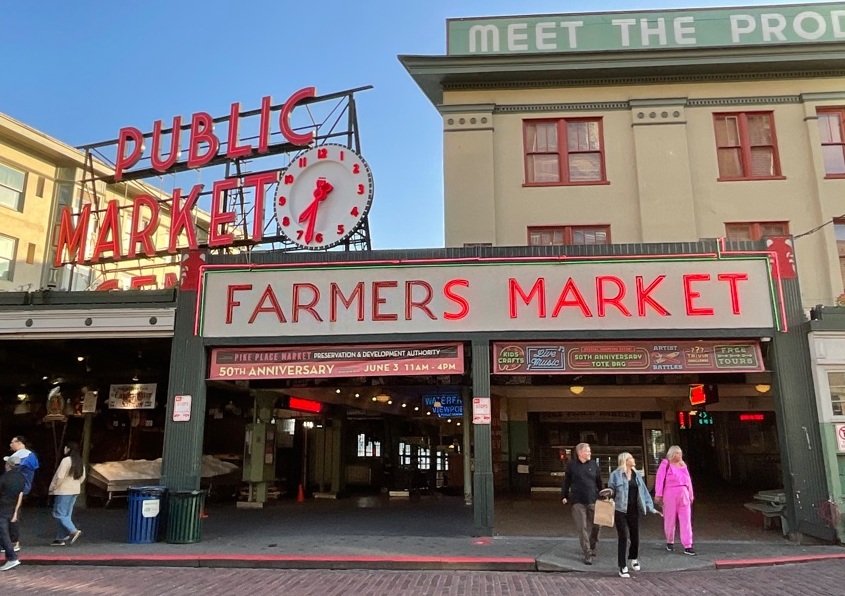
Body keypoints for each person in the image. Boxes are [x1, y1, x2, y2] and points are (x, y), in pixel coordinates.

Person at [608, 452, 661, 578]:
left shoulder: (637, 475)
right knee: (623, 537)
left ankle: (633, 558)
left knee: (635, 536)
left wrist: (651, 508)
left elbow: (643, 492)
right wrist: (608, 494)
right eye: (631, 458)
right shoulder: (615, 475)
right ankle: (622, 566)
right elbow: (611, 489)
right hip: (620, 510)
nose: (633, 459)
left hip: (633, 510)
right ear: (625, 460)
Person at [561, 443, 609, 565]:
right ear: (580, 452)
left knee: (597, 525)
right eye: (587, 451)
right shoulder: (572, 465)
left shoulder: (594, 465)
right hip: (577, 501)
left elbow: (599, 481)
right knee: (582, 528)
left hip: (592, 499)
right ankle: (587, 553)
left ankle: (592, 545)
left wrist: (604, 494)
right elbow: (566, 481)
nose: (590, 453)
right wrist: (564, 495)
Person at [655, 444, 696, 555]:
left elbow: (688, 481)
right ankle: (670, 541)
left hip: (684, 495)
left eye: (680, 453)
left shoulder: (683, 465)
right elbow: (659, 480)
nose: (679, 455)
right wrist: (658, 494)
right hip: (669, 495)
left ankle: (688, 545)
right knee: (669, 519)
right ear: (672, 454)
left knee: (686, 520)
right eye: (677, 453)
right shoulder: (665, 464)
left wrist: (691, 495)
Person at [5, 435, 39, 553]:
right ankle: (11, 541)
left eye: (12, 442)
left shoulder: (24, 456)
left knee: (12, 514)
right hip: (19, 487)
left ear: (19, 442)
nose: (10, 444)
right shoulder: (28, 455)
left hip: (17, 488)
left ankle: (13, 542)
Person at [48, 441, 85, 546]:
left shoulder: (66, 460)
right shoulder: (80, 461)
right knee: (66, 514)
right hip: (75, 490)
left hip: (64, 490)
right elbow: (83, 477)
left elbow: (60, 476)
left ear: (68, 449)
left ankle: (73, 530)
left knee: (59, 513)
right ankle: (60, 538)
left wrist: (54, 486)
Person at [0, 458, 25, 571]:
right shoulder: (21, 478)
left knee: (3, 533)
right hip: (12, 507)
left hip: (3, 507)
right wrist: (15, 511)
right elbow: (20, 495)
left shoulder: (4, 478)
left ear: (8, 465)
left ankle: (12, 557)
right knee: (6, 532)